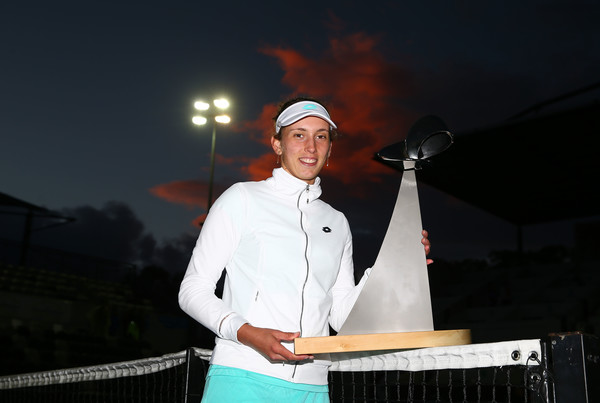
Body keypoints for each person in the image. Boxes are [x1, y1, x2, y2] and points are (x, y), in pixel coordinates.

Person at [178, 96, 432, 402]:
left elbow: (340, 316)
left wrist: (392, 267)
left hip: (314, 387)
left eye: (320, 137)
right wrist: (247, 332)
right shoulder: (242, 198)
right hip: (243, 376)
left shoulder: (336, 221)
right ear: (277, 144)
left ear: (329, 149)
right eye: (299, 135)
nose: (311, 147)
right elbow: (192, 290)